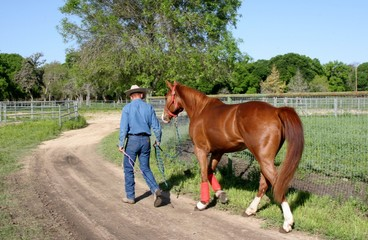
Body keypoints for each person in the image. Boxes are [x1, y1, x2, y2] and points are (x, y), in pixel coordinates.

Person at [118, 84, 163, 207]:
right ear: (141, 95)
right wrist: (158, 140)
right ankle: (155, 189)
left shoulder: (127, 108)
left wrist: (121, 143)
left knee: (128, 168)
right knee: (145, 167)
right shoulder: (149, 107)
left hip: (132, 140)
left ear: (131, 96)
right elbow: (157, 127)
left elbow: (123, 128)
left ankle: (130, 196)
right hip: (146, 141)